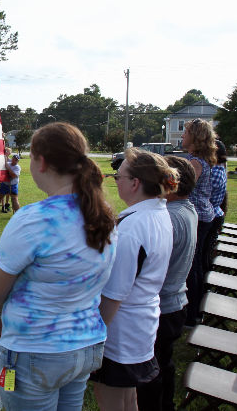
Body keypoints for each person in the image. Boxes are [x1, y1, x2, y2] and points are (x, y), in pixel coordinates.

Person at [0, 122, 117, 410]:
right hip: (85, 348)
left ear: (41, 161)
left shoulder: (33, 219)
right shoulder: (102, 215)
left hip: (32, 352)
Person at [91, 148, 176, 411]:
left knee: (111, 399)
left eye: (118, 176)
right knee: (128, 399)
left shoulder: (132, 227)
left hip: (121, 330)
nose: (115, 181)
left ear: (135, 183)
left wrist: (93, 335)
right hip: (140, 324)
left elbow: (114, 293)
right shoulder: (157, 213)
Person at [136, 156, 198, 411]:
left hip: (164, 305)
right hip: (175, 301)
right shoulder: (187, 209)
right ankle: (167, 404)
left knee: (151, 373)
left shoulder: (169, 218)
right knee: (164, 362)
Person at [181, 118, 217, 327]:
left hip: (198, 217)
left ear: (195, 137)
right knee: (195, 264)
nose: (183, 136)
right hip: (204, 215)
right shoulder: (197, 159)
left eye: (186, 133)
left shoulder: (195, 163)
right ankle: (196, 309)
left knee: (192, 265)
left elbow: (182, 187)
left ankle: (192, 314)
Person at [201, 140, 228, 272]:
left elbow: (204, 195)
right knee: (205, 251)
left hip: (213, 216)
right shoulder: (219, 169)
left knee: (204, 253)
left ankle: (204, 278)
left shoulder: (215, 171)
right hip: (215, 214)